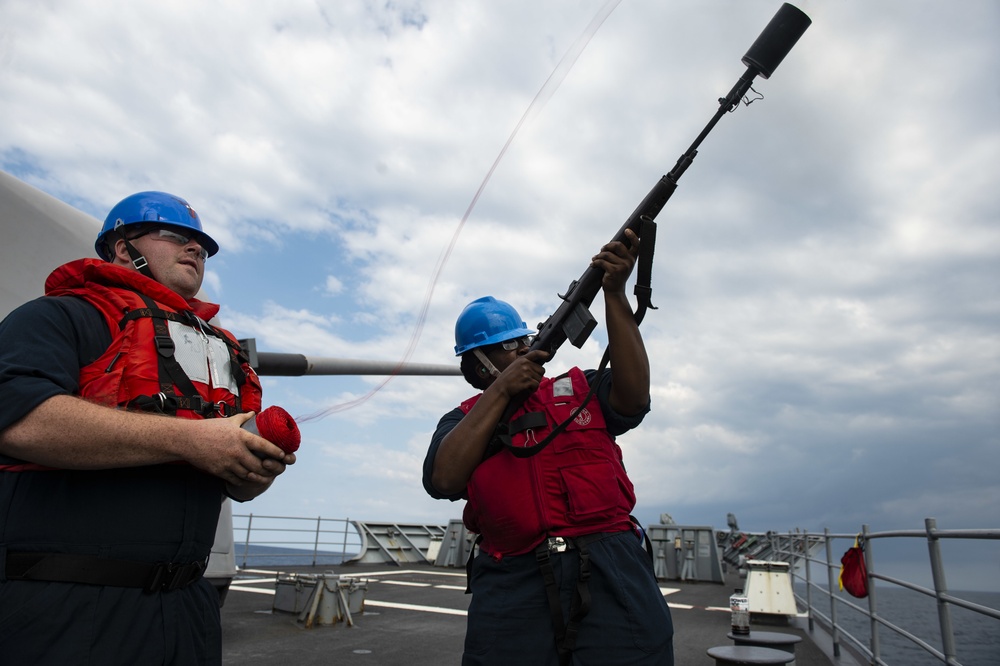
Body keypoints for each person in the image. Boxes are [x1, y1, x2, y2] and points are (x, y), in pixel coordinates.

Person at [0, 191, 295, 664]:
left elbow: (230, 484)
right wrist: (191, 440)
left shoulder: (220, 355)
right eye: (176, 236)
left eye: (201, 245)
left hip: (190, 608)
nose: (196, 250)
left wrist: (250, 472)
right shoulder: (58, 316)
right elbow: (18, 420)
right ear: (122, 247)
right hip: (65, 605)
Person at [422, 229, 673, 665]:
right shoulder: (462, 420)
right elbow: (444, 479)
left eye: (523, 341)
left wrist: (614, 294)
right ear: (476, 364)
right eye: (507, 347)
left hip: (612, 570)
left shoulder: (580, 388)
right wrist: (501, 393)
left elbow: (635, 398)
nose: (521, 350)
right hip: (512, 586)